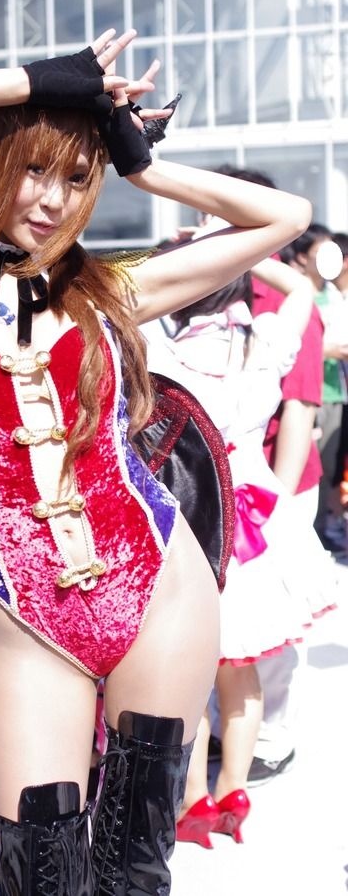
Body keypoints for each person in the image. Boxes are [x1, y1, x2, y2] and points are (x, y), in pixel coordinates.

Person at [0, 23, 312, 893]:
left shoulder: (110, 287)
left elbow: (286, 220)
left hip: (160, 593)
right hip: (28, 622)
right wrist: (31, 81)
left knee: (133, 871)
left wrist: (143, 167)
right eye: (34, 169)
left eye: (78, 179)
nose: (51, 200)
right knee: (40, 875)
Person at [145, 255, 336, 848]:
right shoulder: (265, 341)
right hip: (255, 527)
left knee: (192, 674)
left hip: (192, 522)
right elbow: (301, 287)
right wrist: (245, 247)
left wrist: (183, 255)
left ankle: (193, 802)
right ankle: (233, 791)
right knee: (241, 669)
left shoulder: (159, 351)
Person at [212, 166, 325, 786]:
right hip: (230, 487)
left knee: (275, 625)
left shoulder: (278, 299)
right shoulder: (216, 285)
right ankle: (233, 733)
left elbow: (301, 409)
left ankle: (273, 737)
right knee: (235, 627)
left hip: (277, 483)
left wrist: (273, 503)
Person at [283, 223, 348, 550]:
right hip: (303, 392)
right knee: (304, 465)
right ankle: (301, 534)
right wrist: (325, 350)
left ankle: (321, 529)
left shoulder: (334, 295)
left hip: (334, 390)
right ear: (302, 257)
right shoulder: (293, 294)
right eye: (320, 253)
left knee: (329, 467)